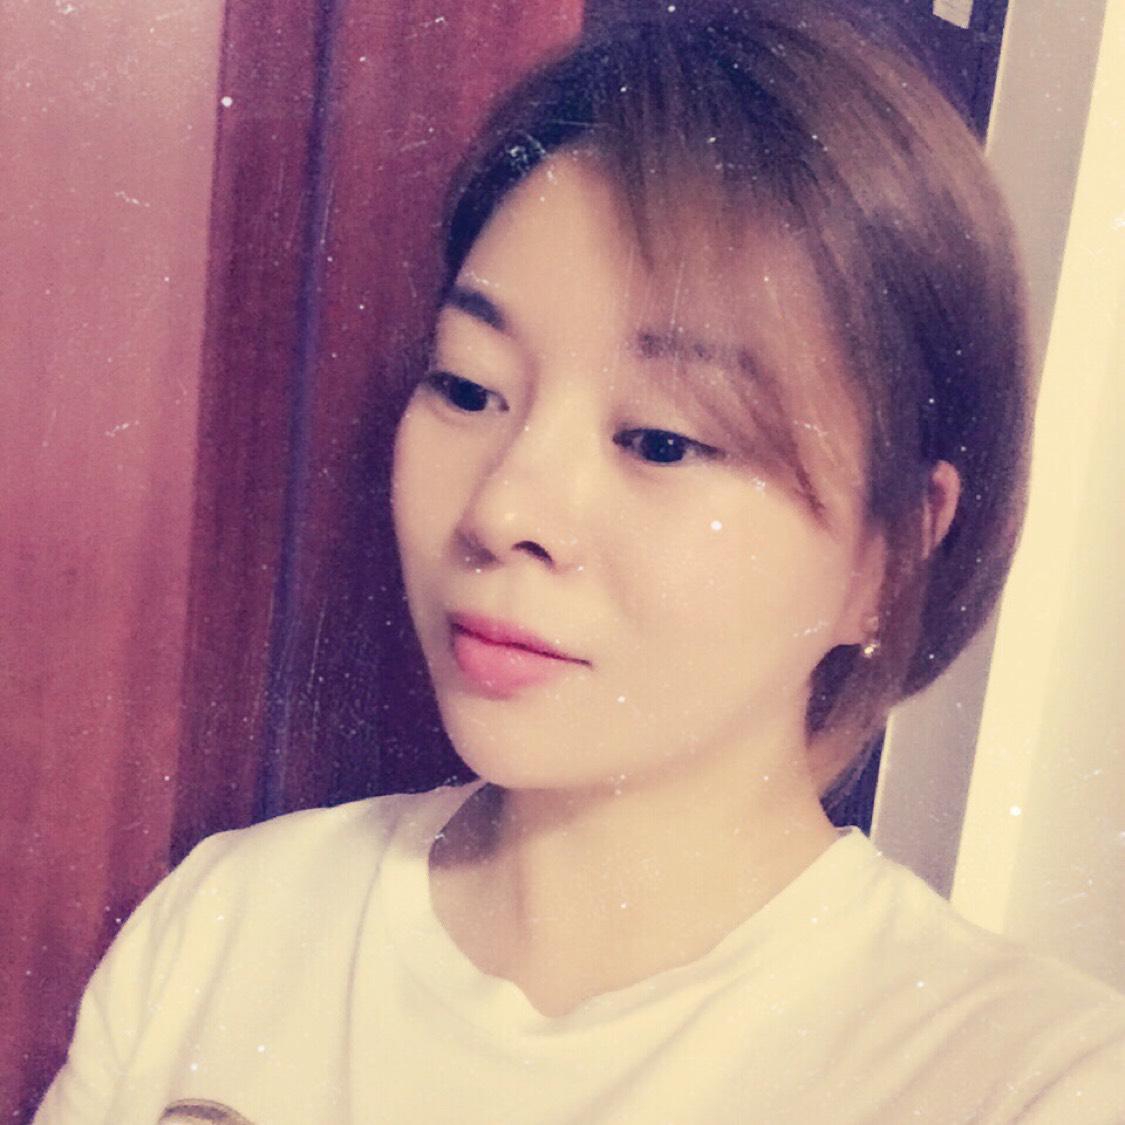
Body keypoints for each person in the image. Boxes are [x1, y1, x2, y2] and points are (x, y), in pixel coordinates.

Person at [36, 2, 1125, 1122]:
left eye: (661, 440)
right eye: (468, 386)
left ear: (890, 555)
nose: (502, 507)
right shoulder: (225, 929)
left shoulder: (1029, 1085)